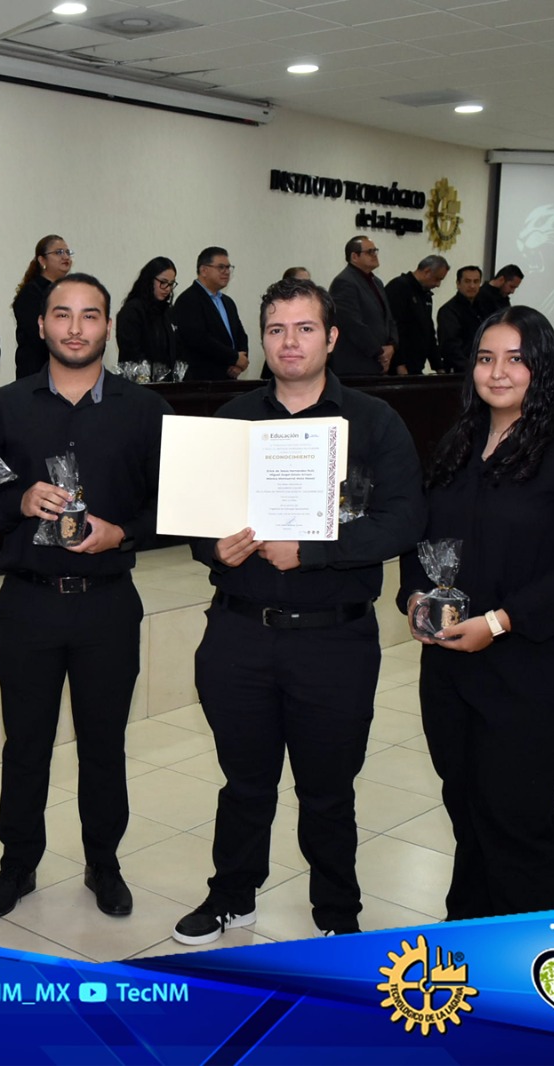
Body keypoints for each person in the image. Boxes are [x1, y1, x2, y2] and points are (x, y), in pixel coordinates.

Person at [175, 277, 424, 943]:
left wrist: (313, 551)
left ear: (331, 337)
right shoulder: (231, 420)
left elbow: (405, 521)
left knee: (328, 791)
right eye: (277, 329)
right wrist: (213, 547)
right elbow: (196, 521)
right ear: (263, 339)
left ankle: (337, 916)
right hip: (238, 634)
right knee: (244, 783)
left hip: (334, 642)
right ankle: (232, 896)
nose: (290, 342)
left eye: (305, 328)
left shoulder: (374, 422)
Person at [399, 305, 554, 920]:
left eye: (516, 359)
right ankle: (468, 940)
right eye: (486, 358)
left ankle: (530, 961)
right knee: (467, 812)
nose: (497, 372)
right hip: (451, 668)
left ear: (541, 367)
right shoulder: (459, 441)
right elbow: (421, 538)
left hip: (532, 670)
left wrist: (500, 622)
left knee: (517, 822)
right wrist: (415, 597)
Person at [0, 273, 172, 920]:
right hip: (28, 601)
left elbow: (171, 505)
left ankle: (103, 863)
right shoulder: (3, 407)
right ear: (41, 325)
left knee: (104, 744)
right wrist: (18, 499)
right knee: (25, 744)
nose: (76, 328)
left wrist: (122, 533)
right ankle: (17, 863)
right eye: (62, 314)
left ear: (108, 325)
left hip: (108, 603)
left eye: (90, 315)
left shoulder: (147, 411)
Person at [172, 246, 249, 380]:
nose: (226, 272)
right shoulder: (188, 299)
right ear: (204, 270)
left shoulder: (228, 302)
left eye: (228, 267)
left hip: (229, 379)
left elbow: (241, 335)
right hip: (202, 381)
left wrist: (240, 362)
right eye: (221, 267)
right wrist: (234, 358)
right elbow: (199, 339)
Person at [328, 235, 397, 377]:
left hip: (377, 363)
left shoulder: (377, 282)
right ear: (354, 257)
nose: (375, 255)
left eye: (375, 251)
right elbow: (352, 324)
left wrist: (392, 345)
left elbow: (389, 318)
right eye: (370, 252)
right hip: (356, 365)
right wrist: (380, 353)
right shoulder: (344, 282)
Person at [12, 235, 73, 379]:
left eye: (67, 252)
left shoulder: (69, 291)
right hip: (37, 372)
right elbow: (37, 334)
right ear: (42, 260)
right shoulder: (31, 293)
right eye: (58, 252)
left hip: (65, 372)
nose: (65, 257)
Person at [385, 254, 450, 376]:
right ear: (427, 271)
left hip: (416, 365)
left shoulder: (426, 295)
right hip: (399, 367)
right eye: (437, 279)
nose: (438, 285)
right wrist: (399, 363)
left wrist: (438, 366)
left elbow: (429, 331)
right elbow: (394, 328)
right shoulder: (399, 287)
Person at [114, 257, 177, 372]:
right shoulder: (132, 310)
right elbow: (131, 353)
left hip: (167, 380)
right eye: (163, 282)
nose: (168, 289)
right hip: (139, 379)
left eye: (171, 284)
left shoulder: (167, 311)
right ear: (149, 280)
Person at [435, 266, 487, 373]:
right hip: (460, 371)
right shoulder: (449, 311)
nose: (472, 286)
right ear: (458, 284)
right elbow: (450, 346)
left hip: (482, 367)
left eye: (476, 281)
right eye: (467, 281)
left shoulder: (484, 307)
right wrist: (471, 368)